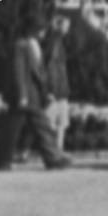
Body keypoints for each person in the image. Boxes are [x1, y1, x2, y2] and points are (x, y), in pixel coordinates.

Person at [0, 17, 72, 171]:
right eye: (41, 29)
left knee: (36, 127)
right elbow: (18, 71)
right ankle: (3, 160)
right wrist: (22, 94)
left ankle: (51, 158)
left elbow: (39, 71)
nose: (43, 32)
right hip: (25, 95)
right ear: (33, 30)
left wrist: (46, 92)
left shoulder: (34, 45)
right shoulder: (20, 46)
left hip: (34, 94)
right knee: (14, 129)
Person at [41, 13, 72, 153]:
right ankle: (53, 152)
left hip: (60, 90)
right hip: (57, 91)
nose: (68, 29)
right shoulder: (54, 43)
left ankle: (57, 152)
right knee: (52, 124)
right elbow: (50, 67)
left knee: (58, 125)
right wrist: (50, 90)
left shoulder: (58, 42)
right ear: (58, 25)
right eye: (66, 25)